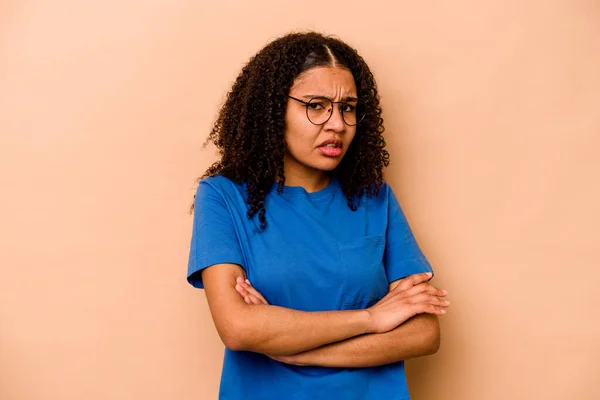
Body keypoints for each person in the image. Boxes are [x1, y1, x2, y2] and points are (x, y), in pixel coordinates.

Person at [186, 31, 449, 400]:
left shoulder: (375, 198)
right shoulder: (222, 197)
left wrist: (293, 350)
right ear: (274, 109)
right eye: (316, 105)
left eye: (348, 107)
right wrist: (372, 318)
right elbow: (238, 327)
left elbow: (423, 333)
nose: (337, 124)